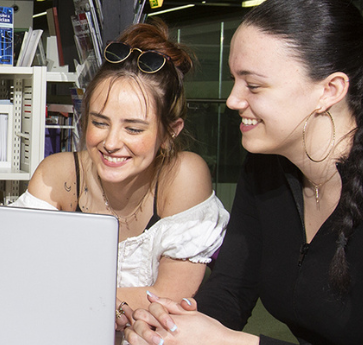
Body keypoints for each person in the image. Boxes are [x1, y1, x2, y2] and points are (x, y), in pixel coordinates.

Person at [125, 0, 363, 345]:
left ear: (330, 90)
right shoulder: (266, 168)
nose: (232, 100)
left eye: (253, 86)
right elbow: (229, 292)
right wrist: (171, 328)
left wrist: (235, 342)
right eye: (235, 79)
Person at [13, 23, 226, 320]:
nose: (111, 143)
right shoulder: (60, 174)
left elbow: (171, 297)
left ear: (169, 133)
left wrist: (57, 301)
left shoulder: (182, 175)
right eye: (100, 123)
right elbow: (16, 277)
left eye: (134, 128)